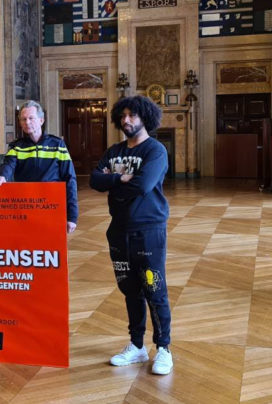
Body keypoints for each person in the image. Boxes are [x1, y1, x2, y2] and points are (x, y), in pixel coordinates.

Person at [89, 95, 173, 375]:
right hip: (118, 230)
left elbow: (143, 185)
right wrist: (118, 178)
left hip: (148, 229)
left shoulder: (155, 150)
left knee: (154, 288)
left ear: (144, 117)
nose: (127, 120)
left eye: (132, 115)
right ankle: (137, 346)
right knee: (130, 290)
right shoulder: (113, 151)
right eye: (123, 115)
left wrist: (115, 182)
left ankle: (163, 349)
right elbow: (94, 180)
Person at [0, 100, 78, 233]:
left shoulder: (57, 144)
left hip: (52, 205)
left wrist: (72, 216)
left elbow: (70, 178)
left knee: (51, 249)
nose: (27, 122)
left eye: (31, 118)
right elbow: (8, 164)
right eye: (23, 119)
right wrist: (2, 176)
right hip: (25, 206)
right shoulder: (17, 146)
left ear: (41, 120)